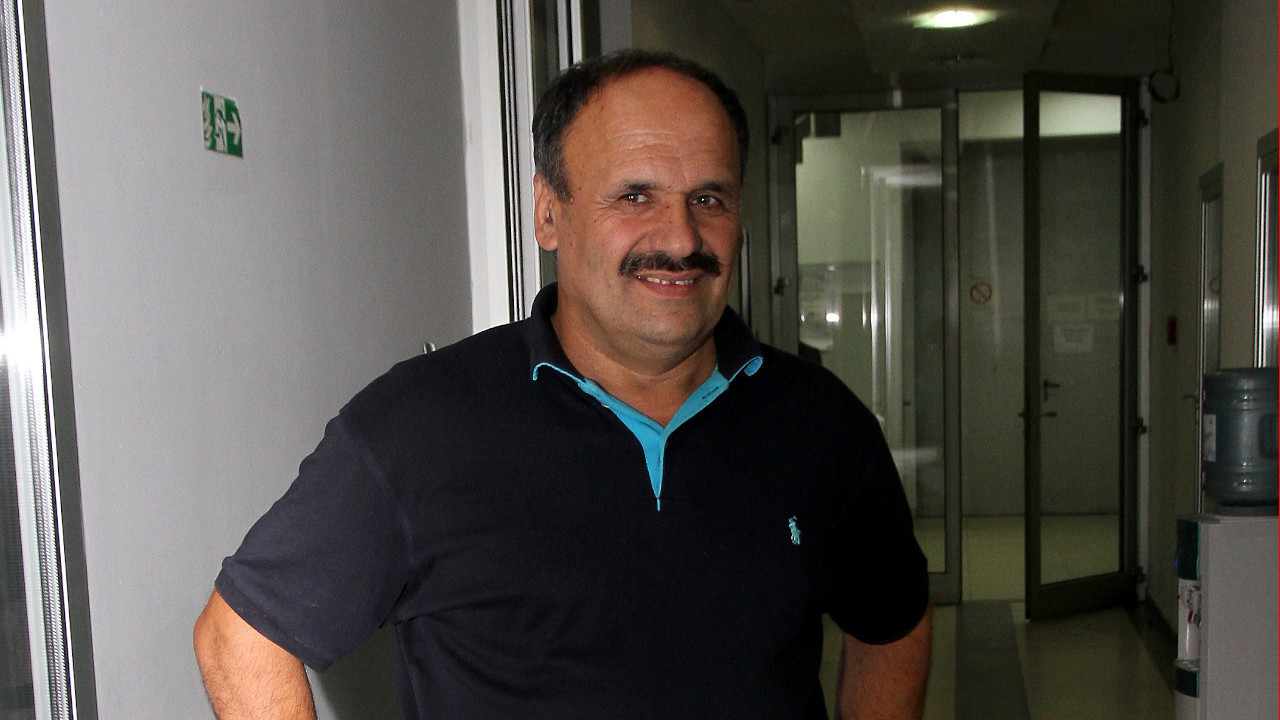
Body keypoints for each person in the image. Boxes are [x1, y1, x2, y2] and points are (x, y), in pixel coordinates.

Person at [193, 49, 931, 720]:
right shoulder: (423, 424)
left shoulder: (819, 422)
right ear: (549, 213)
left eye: (709, 198)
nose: (681, 238)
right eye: (635, 196)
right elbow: (242, 635)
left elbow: (893, 621)